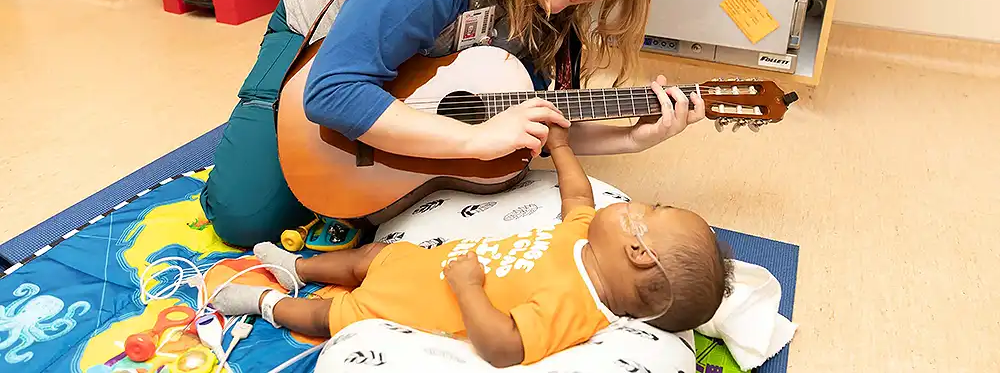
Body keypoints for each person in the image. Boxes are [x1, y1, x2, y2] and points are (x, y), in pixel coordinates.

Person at [200, 0, 706, 248]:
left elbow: (530, 117)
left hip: (422, 77)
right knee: (245, 217)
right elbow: (333, 89)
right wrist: (472, 140)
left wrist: (632, 137)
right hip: (314, 53)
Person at [213, 123, 733, 367]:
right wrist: (562, 146)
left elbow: (503, 345)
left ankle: (267, 304)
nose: (634, 205)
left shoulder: (575, 308)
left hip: (408, 305)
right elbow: (577, 194)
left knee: (329, 317)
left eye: (646, 213)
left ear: (639, 253)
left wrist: (468, 290)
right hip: (418, 262)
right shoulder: (584, 238)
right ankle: (298, 269)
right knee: (367, 257)